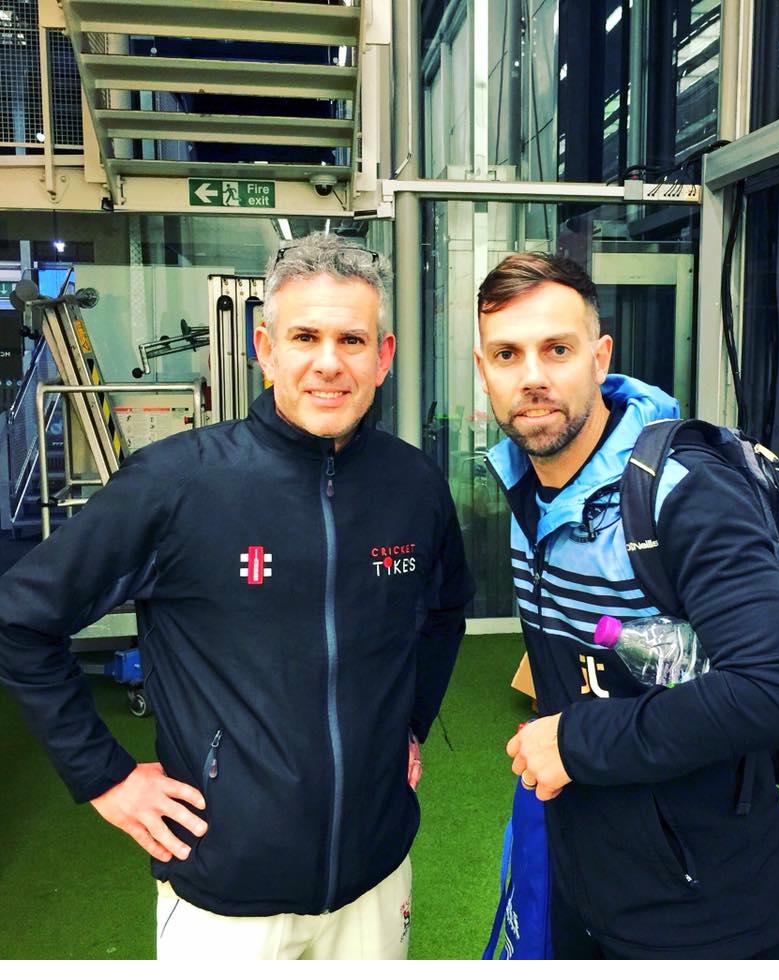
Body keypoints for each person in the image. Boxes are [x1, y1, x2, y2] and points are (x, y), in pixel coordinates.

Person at [0, 233, 474, 960]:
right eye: (305, 336)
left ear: (384, 355)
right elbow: (21, 620)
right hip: (225, 894)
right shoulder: (177, 484)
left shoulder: (414, 486)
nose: (328, 362)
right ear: (265, 348)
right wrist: (106, 777)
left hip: (376, 876)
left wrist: (406, 725)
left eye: (352, 339)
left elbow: (443, 611)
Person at [474, 253, 779, 959]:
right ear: (484, 370)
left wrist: (574, 742)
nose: (532, 376)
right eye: (508, 353)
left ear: (600, 358)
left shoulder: (686, 493)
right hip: (584, 879)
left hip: (702, 909)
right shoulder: (523, 484)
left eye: (557, 349)